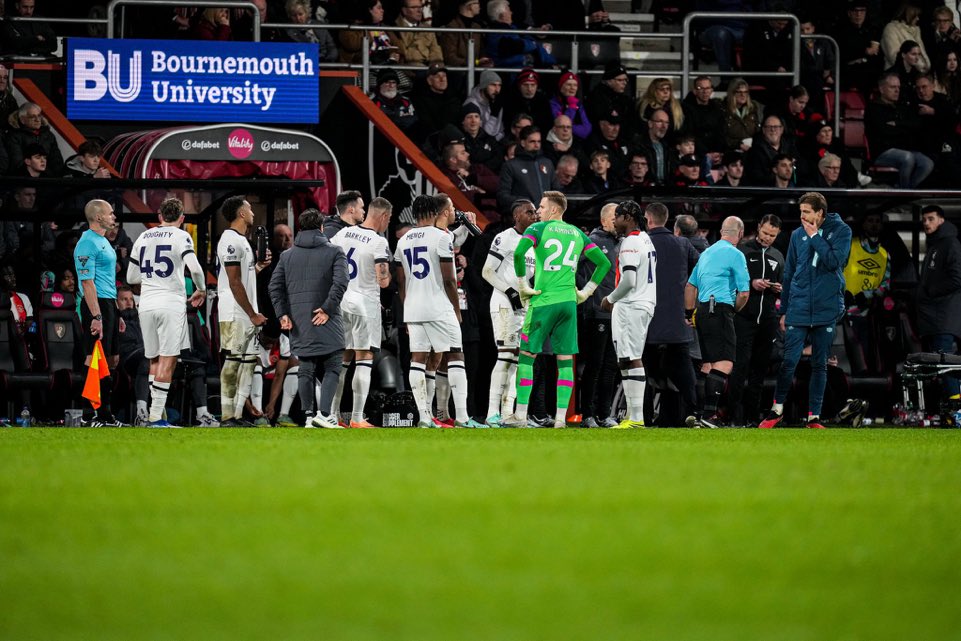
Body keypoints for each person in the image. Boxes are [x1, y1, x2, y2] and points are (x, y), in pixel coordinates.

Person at [504, 191, 611, 428]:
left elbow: (520, 253)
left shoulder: (537, 229)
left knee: (527, 357)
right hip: (568, 305)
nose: (538, 212)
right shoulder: (578, 233)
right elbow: (604, 263)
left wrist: (523, 286)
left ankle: (520, 416)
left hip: (543, 301)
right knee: (564, 361)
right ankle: (561, 419)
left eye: (541, 207)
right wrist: (586, 292)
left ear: (553, 209)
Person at [760, 192, 852, 429]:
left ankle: (814, 417)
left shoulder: (842, 231)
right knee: (788, 361)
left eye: (806, 212)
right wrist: (785, 309)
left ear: (820, 213)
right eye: (801, 212)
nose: (802, 216)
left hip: (826, 306)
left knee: (819, 363)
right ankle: (776, 410)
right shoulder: (796, 235)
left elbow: (834, 262)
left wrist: (814, 237)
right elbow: (789, 272)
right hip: (799, 306)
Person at [395, 194, 484, 428]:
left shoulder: (403, 240)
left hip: (413, 308)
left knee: (418, 360)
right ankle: (463, 417)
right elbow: (449, 281)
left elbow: (401, 282)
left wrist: (407, 309)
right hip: (438, 306)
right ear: (436, 212)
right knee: (455, 355)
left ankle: (424, 417)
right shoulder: (440, 237)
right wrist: (455, 309)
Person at [125, 198, 207, 427]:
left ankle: (155, 415)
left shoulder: (143, 237)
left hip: (147, 305)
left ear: (160, 216)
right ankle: (155, 418)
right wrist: (201, 289)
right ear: (182, 217)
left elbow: (131, 277)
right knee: (168, 360)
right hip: (170, 303)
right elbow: (197, 269)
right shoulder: (181, 236)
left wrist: (151, 280)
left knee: (153, 359)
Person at [269, 208, 349, 428]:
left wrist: (283, 314)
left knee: (305, 367)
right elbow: (341, 282)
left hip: (299, 321)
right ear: (322, 227)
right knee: (333, 365)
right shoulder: (335, 252)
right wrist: (326, 309)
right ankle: (324, 415)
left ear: (300, 229)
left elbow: (274, 287)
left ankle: (307, 417)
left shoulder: (286, 256)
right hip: (326, 318)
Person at [328, 197, 393, 427]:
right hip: (364, 306)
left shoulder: (342, 234)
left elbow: (328, 260)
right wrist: (389, 276)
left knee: (342, 360)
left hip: (340, 303)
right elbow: (383, 280)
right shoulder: (378, 241)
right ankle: (356, 418)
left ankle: (333, 416)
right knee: (364, 358)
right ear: (384, 216)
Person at [684, 216, 750, 428]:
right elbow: (744, 293)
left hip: (702, 311)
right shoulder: (735, 254)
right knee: (725, 363)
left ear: (722, 231)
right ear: (739, 234)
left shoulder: (706, 253)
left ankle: (698, 413)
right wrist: (733, 309)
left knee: (708, 364)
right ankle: (709, 416)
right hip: (720, 308)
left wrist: (688, 314)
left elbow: (689, 287)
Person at [599, 201, 656, 429]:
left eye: (618, 216)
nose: (614, 221)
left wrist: (609, 299)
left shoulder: (631, 242)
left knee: (631, 358)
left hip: (631, 304)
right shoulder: (644, 238)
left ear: (628, 217)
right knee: (626, 358)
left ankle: (636, 418)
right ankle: (633, 418)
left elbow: (629, 280)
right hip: (642, 302)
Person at [481, 198, 538, 426]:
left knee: (517, 360)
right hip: (504, 304)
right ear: (517, 216)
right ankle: (492, 412)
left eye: (535, 211)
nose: (534, 215)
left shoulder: (534, 242)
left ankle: (508, 414)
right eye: (529, 212)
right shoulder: (504, 238)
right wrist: (510, 292)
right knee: (505, 357)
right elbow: (487, 271)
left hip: (523, 308)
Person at [642, 202, 699, 425]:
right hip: (677, 322)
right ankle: (694, 413)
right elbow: (701, 269)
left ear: (648, 220)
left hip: (648, 322)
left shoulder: (641, 243)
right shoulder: (683, 244)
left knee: (642, 373)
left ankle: (644, 418)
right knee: (684, 375)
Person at [217, 196, 270, 427]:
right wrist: (252, 314)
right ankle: (227, 415)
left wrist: (258, 267)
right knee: (233, 360)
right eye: (249, 209)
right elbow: (234, 283)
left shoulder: (243, 241)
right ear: (240, 214)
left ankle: (238, 415)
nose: (252, 213)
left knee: (248, 361)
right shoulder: (230, 240)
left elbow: (245, 280)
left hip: (246, 312)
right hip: (235, 312)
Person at [73, 199, 126, 427]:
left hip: (109, 304)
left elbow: (107, 280)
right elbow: (87, 283)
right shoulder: (86, 244)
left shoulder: (103, 241)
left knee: (112, 359)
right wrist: (96, 316)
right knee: (93, 357)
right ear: (98, 217)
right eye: (110, 213)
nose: (114, 217)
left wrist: (117, 312)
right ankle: (89, 414)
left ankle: (106, 412)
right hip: (95, 305)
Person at [727, 214, 784, 426]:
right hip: (743, 318)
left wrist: (777, 288)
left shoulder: (778, 255)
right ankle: (732, 416)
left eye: (773, 235)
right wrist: (752, 283)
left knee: (759, 370)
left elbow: (782, 282)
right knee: (739, 368)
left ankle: (753, 418)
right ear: (758, 227)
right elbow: (731, 280)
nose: (768, 238)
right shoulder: (742, 251)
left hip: (767, 319)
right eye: (765, 233)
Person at [575, 203, 619, 428]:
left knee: (610, 366)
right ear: (603, 220)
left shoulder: (621, 243)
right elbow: (572, 268)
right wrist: (585, 293)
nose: (618, 220)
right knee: (594, 365)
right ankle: (588, 414)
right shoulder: (591, 241)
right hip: (596, 313)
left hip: (617, 314)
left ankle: (604, 413)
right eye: (614, 217)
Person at [916, 205, 961, 400]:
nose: (926, 223)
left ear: (941, 220)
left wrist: (929, 291)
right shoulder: (936, 244)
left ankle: (957, 410)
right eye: (924, 219)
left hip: (944, 318)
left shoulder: (950, 243)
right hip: (933, 319)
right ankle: (947, 412)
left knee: (946, 365)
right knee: (938, 367)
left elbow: (957, 278)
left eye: (931, 219)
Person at [865, 72, 933, 188]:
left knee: (927, 163)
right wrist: (904, 128)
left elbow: (916, 125)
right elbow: (884, 131)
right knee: (907, 158)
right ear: (882, 89)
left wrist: (897, 124)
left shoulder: (902, 106)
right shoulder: (874, 108)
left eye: (898, 87)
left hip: (905, 149)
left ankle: (905, 190)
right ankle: (903, 192)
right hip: (882, 152)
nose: (897, 91)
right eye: (893, 87)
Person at [843, 212, 890, 375]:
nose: (874, 224)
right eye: (870, 220)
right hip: (844, 311)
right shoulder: (849, 246)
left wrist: (867, 294)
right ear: (863, 224)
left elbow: (885, 285)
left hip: (870, 314)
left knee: (868, 358)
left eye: (877, 221)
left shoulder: (884, 255)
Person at [496, 125, 558, 213]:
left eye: (539, 141)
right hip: (523, 217)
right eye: (532, 141)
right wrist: (524, 202)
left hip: (547, 216)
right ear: (523, 143)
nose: (536, 145)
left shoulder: (547, 163)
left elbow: (557, 189)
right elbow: (502, 195)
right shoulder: (510, 165)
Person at [550, 71, 592, 141]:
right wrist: (572, 106)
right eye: (569, 85)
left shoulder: (578, 103)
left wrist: (571, 128)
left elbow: (586, 130)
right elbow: (563, 127)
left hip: (577, 142)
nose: (572, 88)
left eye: (575, 85)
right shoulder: (554, 103)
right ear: (561, 87)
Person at [465, 69, 506, 142]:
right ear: (484, 86)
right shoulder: (471, 104)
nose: (497, 90)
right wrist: (493, 115)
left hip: (494, 144)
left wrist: (494, 142)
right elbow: (481, 134)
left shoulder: (495, 102)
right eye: (493, 85)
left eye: (499, 85)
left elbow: (501, 131)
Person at [722, 79, 762, 152]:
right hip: (731, 150)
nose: (743, 95)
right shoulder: (723, 110)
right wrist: (739, 145)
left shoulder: (752, 109)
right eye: (739, 92)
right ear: (732, 93)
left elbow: (758, 132)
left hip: (751, 149)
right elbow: (722, 136)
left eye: (745, 92)